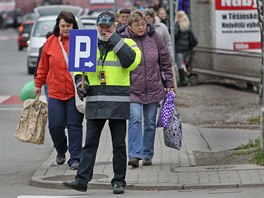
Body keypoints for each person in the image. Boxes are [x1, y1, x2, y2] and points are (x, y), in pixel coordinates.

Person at [62, 11, 141, 194]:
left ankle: (119, 182)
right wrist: (81, 83)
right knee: (89, 144)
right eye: (101, 27)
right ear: (96, 27)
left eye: (108, 26)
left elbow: (131, 62)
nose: (104, 30)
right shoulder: (89, 44)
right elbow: (78, 70)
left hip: (117, 101)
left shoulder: (127, 43)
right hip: (96, 100)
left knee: (119, 145)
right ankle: (82, 180)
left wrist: (112, 40)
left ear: (115, 26)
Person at [118, 10, 174, 168]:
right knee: (135, 119)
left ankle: (147, 154)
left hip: (154, 87)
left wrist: (169, 83)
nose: (141, 27)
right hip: (132, 89)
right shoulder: (123, 39)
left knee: (149, 122)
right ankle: (134, 155)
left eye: (143, 24)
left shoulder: (155, 37)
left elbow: (166, 61)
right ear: (130, 26)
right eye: (137, 25)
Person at [34, 11, 84, 170]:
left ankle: (75, 158)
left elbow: (88, 66)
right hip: (55, 91)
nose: (65, 29)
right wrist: (38, 83)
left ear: (73, 25)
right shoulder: (50, 42)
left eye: (68, 26)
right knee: (55, 125)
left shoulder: (81, 42)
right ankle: (61, 150)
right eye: (62, 26)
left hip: (74, 91)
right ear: (58, 26)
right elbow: (43, 66)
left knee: (74, 125)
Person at [174, 10, 191, 86]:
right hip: (186, 47)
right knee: (184, 63)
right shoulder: (187, 24)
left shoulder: (178, 24)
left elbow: (175, 35)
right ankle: (185, 78)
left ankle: (182, 80)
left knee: (179, 64)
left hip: (179, 47)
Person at [34, 31, 53, 101]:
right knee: (49, 94)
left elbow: (39, 63)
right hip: (48, 76)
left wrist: (36, 76)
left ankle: (50, 105)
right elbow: (40, 63)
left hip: (46, 77)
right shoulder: (45, 48)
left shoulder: (42, 48)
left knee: (48, 94)